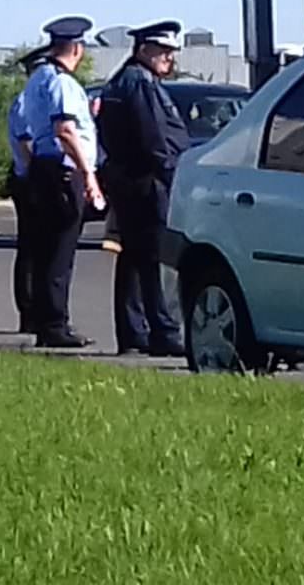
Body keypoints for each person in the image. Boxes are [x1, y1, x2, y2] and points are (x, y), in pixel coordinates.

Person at [97, 20, 189, 357]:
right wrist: (169, 174)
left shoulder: (126, 80)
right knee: (152, 259)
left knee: (135, 259)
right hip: (146, 181)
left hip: (131, 179)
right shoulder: (139, 83)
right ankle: (162, 331)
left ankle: (135, 332)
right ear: (143, 50)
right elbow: (152, 136)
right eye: (163, 51)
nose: (169, 59)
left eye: (171, 52)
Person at [23, 15, 103, 348]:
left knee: (43, 250)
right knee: (60, 252)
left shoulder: (38, 77)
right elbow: (65, 130)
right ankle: (56, 324)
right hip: (63, 171)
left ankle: (44, 320)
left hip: (43, 168)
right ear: (76, 47)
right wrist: (89, 175)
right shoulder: (63, 83)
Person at [7, 46, 49, 332]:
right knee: (32, 248)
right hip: (30, 178)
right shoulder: (25, 102)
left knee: (40, 248)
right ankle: (30, 312)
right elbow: (27, 144)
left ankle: (39, 309)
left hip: (35, 177)